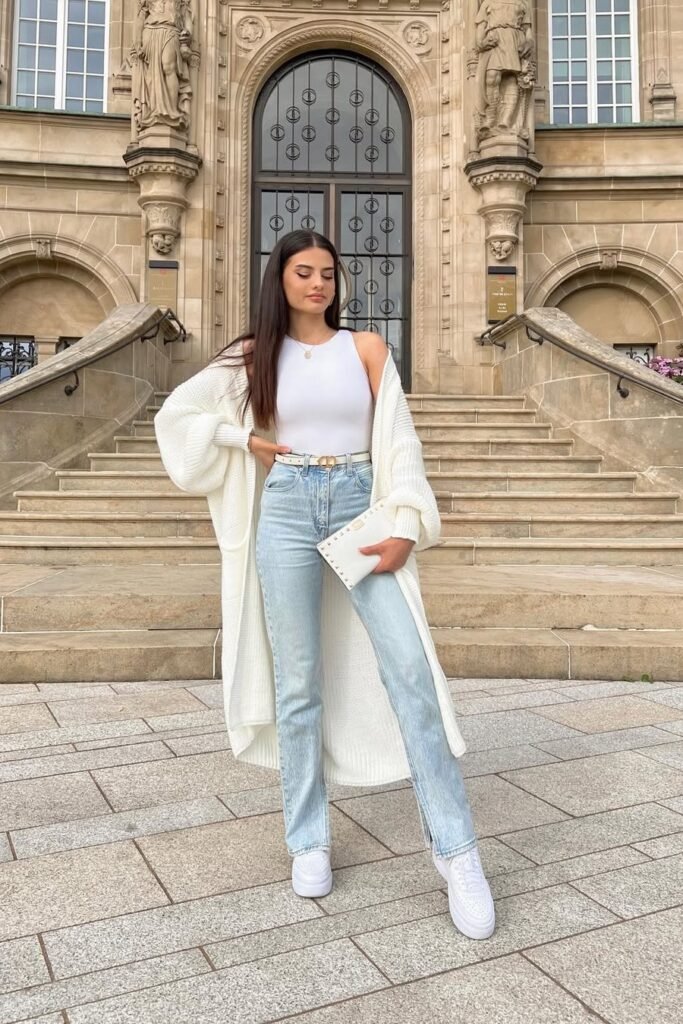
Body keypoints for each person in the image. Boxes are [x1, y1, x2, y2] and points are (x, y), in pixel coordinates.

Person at [154, 230, 495, 940]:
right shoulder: (251, 357)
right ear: (279, 278)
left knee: (410, 676)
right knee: (297, 682)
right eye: (304, 273)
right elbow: (177, 418)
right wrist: (236, 439)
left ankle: (456, 849)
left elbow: (399, 441)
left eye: (327, 274)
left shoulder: (366, 349)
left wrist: (407, 521)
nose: (317, 284)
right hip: (284, 508)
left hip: (359, 506)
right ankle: (307, 838)